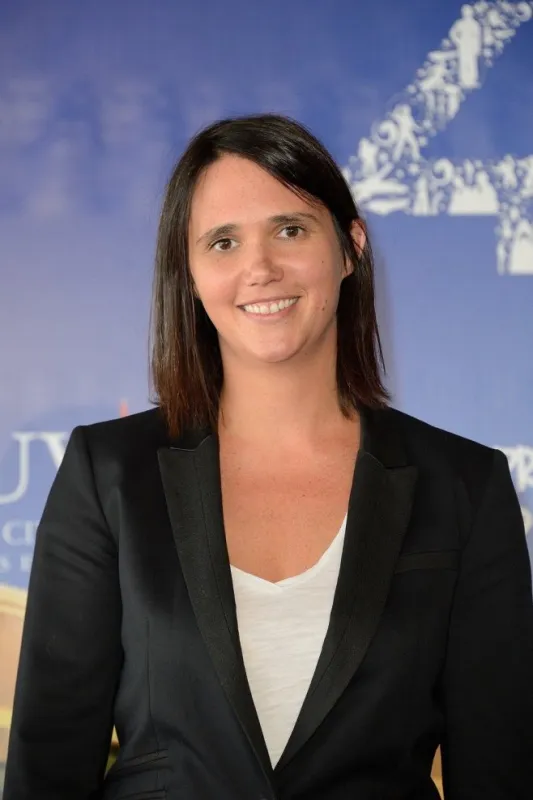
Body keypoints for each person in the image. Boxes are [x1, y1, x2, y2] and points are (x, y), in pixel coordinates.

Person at [4, 113, 533, 799]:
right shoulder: (107, 475)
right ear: (189, 275)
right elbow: (49, 765)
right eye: (222, 242)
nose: (259, 268)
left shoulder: (463, 483)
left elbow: (500, 772)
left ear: (350, 247)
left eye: (290, 229)